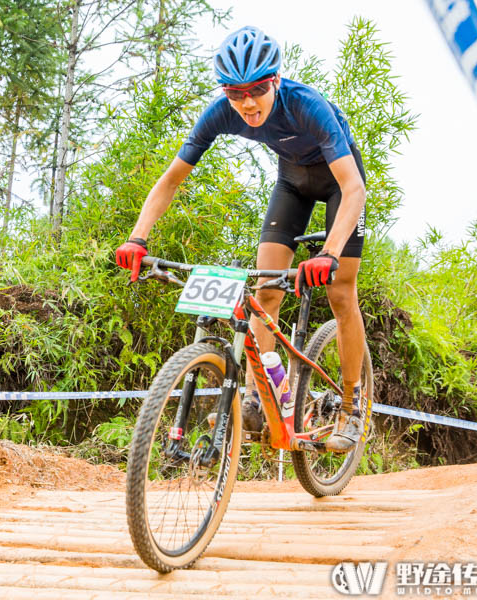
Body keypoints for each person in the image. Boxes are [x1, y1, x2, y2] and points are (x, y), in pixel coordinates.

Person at [114, 26, 367, 452]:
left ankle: (352, 403)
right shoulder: (221, 112)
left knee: (341, 291)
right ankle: (254, 399)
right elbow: (171, 180)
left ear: (276, 81)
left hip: (340, 185)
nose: (247, 103)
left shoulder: (307, 106)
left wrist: (327, 253)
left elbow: (354, 188)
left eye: (256, 90)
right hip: (292, 183)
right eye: (235, 92)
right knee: (267, 290)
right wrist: (138, 239)